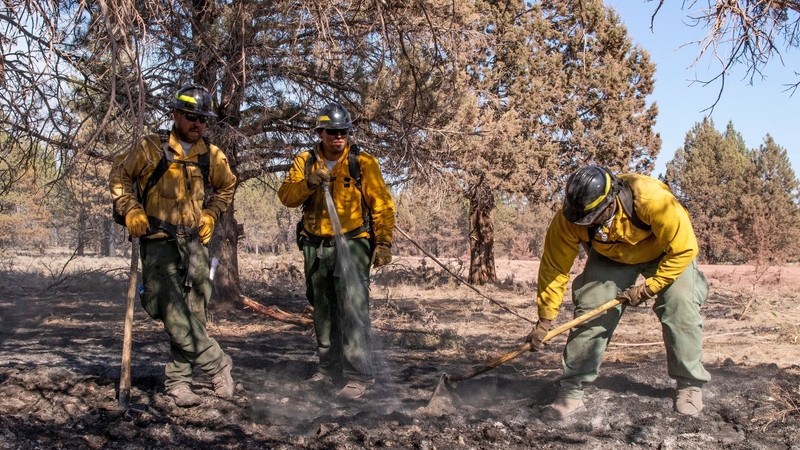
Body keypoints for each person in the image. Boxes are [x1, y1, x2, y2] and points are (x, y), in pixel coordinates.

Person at [526, 165, 710, 420]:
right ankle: (571, 392)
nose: (584, 221)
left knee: (679, 306)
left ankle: (689, 385)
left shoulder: (652, 199)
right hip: (612, 256)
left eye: (591, 217)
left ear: (610, 202)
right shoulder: (568, 219)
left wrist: (649, 289)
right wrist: (545, 319)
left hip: (666, 254)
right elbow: (555, 268)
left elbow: (683, 249)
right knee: (591, 311)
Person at [109, 84, 238, 407]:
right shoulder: (150, 148)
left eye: (204, 120)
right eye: (192, 117)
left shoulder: (211, 155)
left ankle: (179, 383)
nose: (198, 125)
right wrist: (131, 209)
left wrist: (211, 213)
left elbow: (227, 187)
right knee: (167, 306)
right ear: (176, 115)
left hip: (195, 242)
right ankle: (217, 362)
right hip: (157, 242)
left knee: (194, 310)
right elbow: (119, 178)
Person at [278, 102, 395, 400]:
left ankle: (358, 375)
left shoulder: (363, 162)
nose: (339, 137)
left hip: (353, 243)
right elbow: (286, 196)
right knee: (323, 311)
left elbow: (381, 205)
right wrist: (308, 184)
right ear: (320, 132)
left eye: (344, 131)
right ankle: (327, 369)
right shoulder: (304, 161)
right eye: (332, 132)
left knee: (354, 308)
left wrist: (382, 243)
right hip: (315, 246)